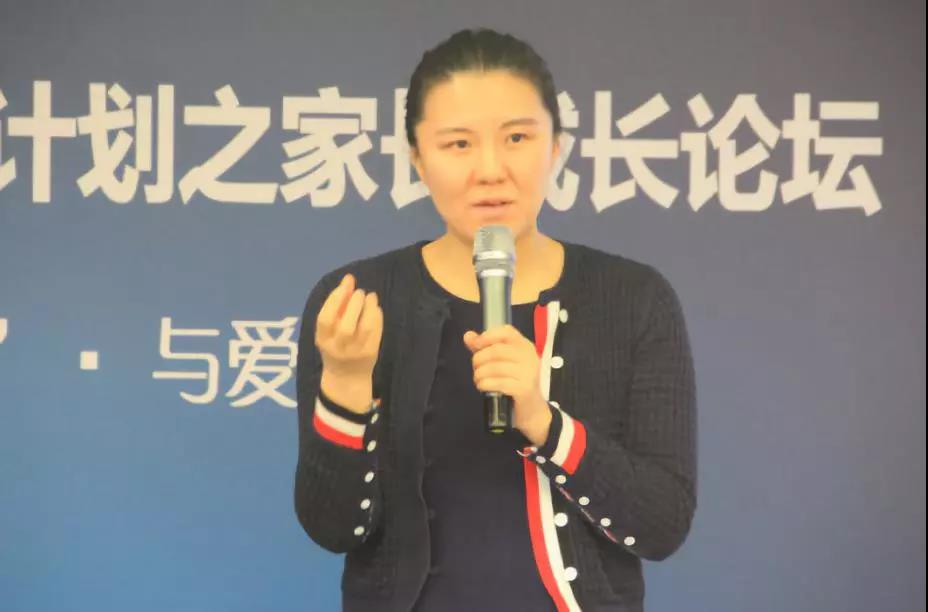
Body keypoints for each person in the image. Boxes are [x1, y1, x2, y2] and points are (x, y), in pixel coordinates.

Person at [294, 28, 697, 612]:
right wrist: (346, 385)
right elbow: (333, 528)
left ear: (555, 146)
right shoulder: (360, 300)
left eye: (516, 137)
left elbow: (662, 524)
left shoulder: (634, 297)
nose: (490, 170)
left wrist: (543, 422)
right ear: (417, 158)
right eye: (458, 144)